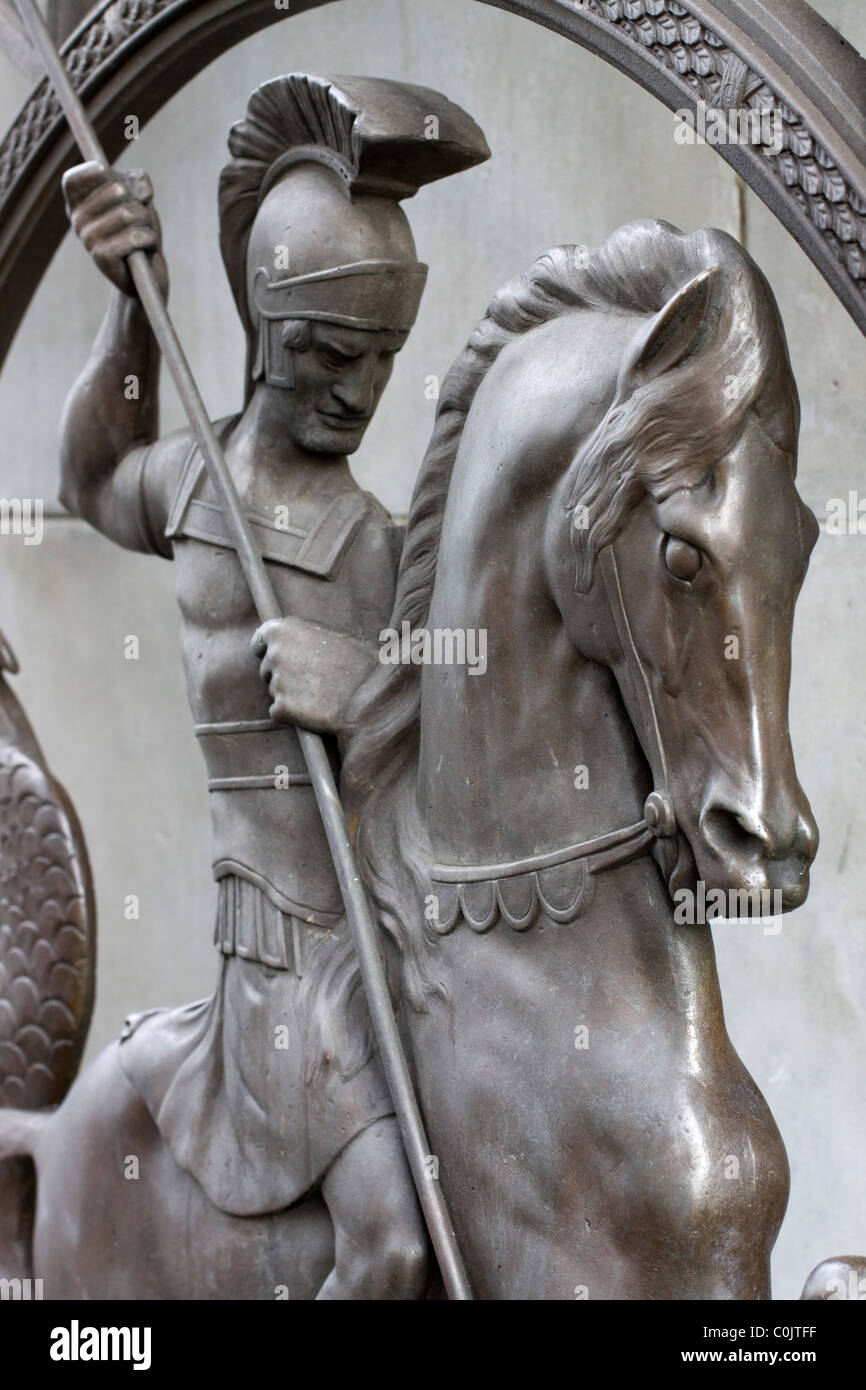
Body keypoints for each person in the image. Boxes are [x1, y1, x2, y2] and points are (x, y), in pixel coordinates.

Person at [59, 72, 489, 1298]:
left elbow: (469, 753)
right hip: (272, 947)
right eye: (325, 353)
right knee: (394, 1246)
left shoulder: (378, 547)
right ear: (264, 326)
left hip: (367, 930)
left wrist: (365, 691)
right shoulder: (188, 484)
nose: (357, 390)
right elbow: (91, 475)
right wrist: (130, 310)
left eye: (381, 360)